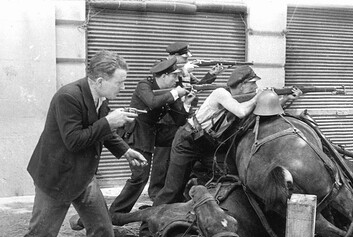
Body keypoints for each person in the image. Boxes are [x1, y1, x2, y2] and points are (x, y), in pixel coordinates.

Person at [5, 50, 147, 237]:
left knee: (102, 227)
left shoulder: (99, 97)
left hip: (84, 176)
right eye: (120, 82)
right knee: (41, 235)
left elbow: (101, 132)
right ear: (101, 80)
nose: (124, 87)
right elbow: (74, 140)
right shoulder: (68, 97)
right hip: (57, 178)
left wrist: (126, 151)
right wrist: (108, 121)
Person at [152, 65, 261, 206]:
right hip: (188, 140)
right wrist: (257, 98)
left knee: (228, 174)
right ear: (242, 85)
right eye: (252, 83)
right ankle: (148, 226)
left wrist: (286, 98)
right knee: (172, 190)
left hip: (207, 143)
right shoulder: (221, 93)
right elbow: (241, 112)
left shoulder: (239, 99)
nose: (256, 86)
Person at [107, 57, 193, 226]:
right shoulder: (144, 86)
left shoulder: (170, 90)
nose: (177, 80)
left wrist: (187, 105)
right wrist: (176, 93)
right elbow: (152, 102)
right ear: (164, 76)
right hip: (137, 133)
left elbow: (178, 119)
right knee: (140, 176)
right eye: (174, 76)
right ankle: (116, 212)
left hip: (153, 133)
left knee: (181, 136)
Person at [147, 42, 224, 199]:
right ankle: (156, 194)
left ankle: (172, 194)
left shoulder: (184, 70)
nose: (188, 57)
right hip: (167, 119)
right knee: (162, 160)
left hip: (182, 116)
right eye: (183, 56)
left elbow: (195, 87)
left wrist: (211, 74)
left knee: (176, 160)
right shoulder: (162, 67)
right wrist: (183, 72)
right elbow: (161, 92)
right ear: (173, 56)